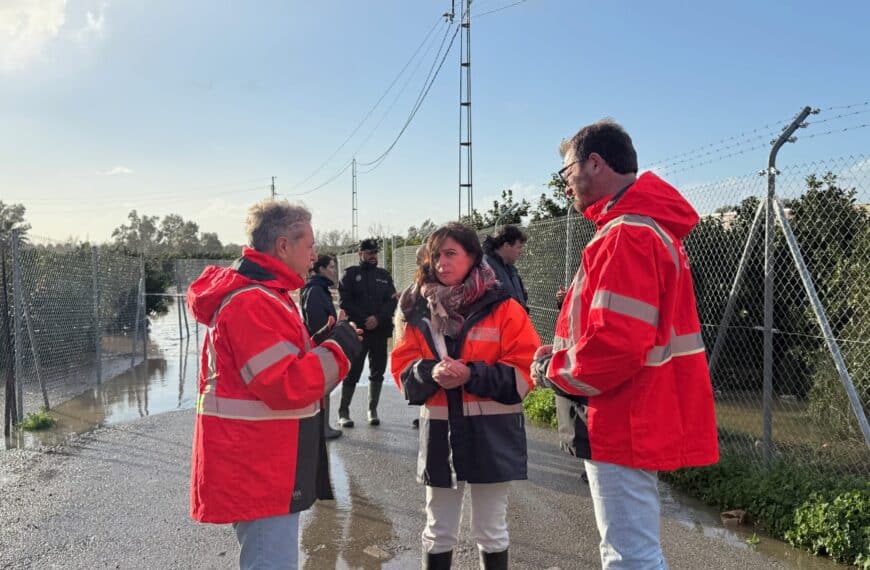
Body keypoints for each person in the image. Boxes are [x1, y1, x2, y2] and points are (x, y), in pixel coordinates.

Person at [530, 119, 719, 569]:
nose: (565, 185)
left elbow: (615, 346)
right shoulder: (645, 228)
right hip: (634, 409)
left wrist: (550, 370)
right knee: (632, 550)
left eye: (566, 172)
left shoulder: (625, 234)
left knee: (628, 555)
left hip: (619, 416)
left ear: (595, 163)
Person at [187, 200, 362, 570]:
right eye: (309, 245)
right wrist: (339, 349)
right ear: (283, 246)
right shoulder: (254, 301)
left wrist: (318, 345)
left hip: (264, 462)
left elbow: (273, 370)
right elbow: (287, 385)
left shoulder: (266, 296)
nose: (314, 255)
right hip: (260, 467)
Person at [391, 222, 540, 570]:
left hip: (492, 435)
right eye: (436, 256)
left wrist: (472, 375)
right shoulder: (416, 310)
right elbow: (402, 370)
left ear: (473, 257)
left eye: (450, 254)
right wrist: (430, 373)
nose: (441, 263)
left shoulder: (506, 308)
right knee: (438, 530)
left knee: (491, 530)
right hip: (440, 435)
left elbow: (525, 371)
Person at [338, 238, 398, 427]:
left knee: (378, 371)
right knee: (353, 371)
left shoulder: (384, 275)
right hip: (358, 331)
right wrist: (365, 319)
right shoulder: (350, 274)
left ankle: (372, 410)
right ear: (360, 253)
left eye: (375, 253)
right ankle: (343, 411)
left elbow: (392, 301)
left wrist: (378, 319)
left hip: (379, 331)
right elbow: (345, 301)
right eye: (369, 253)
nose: (373, 256)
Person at [300, 254, 343, 440]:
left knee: (323, 390)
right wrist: (332, 334)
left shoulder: (319, 288)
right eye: (331, 267)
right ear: (321, 269)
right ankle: (322, 428)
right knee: (322, 389)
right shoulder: (316, 291)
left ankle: (324, 427)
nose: (334, 271)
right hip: (320, 346)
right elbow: (318, 323)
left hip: (320, 344)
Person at [483, 224, 529, 311]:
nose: (520, 252)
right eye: (518, 247)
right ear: (506, 245)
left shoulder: (511, 269)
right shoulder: (486, 267)